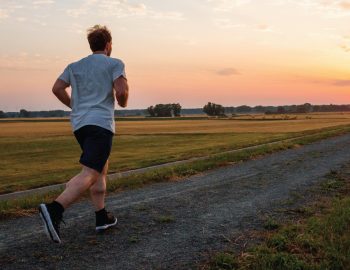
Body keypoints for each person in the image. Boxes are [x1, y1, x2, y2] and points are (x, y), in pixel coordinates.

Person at [38, 25, 129, 244]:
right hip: (101, 124)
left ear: (91, 45)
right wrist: (123, 101)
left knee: (100, 168)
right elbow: (122, 92)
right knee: (90, 171)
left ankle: (101, 217)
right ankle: (54, 209)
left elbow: (57, 88)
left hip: (80, 125)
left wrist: (75, 105)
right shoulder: (115, 63)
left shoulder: (74, 66)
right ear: (108, 45)